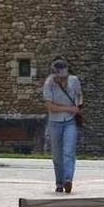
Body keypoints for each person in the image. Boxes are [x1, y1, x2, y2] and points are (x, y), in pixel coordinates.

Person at [43, 57, 83, 194]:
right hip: (55, 122)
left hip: (70, 121)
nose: (63, 80)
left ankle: (67, 179)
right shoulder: (49, 84)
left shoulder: (74, 80)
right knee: (57, 155)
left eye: (64, 77)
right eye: (60, 77)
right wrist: (69, 108)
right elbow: (50, 106)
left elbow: (79, 95)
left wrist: (77, 106)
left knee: (68, 151)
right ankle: (59, 183)